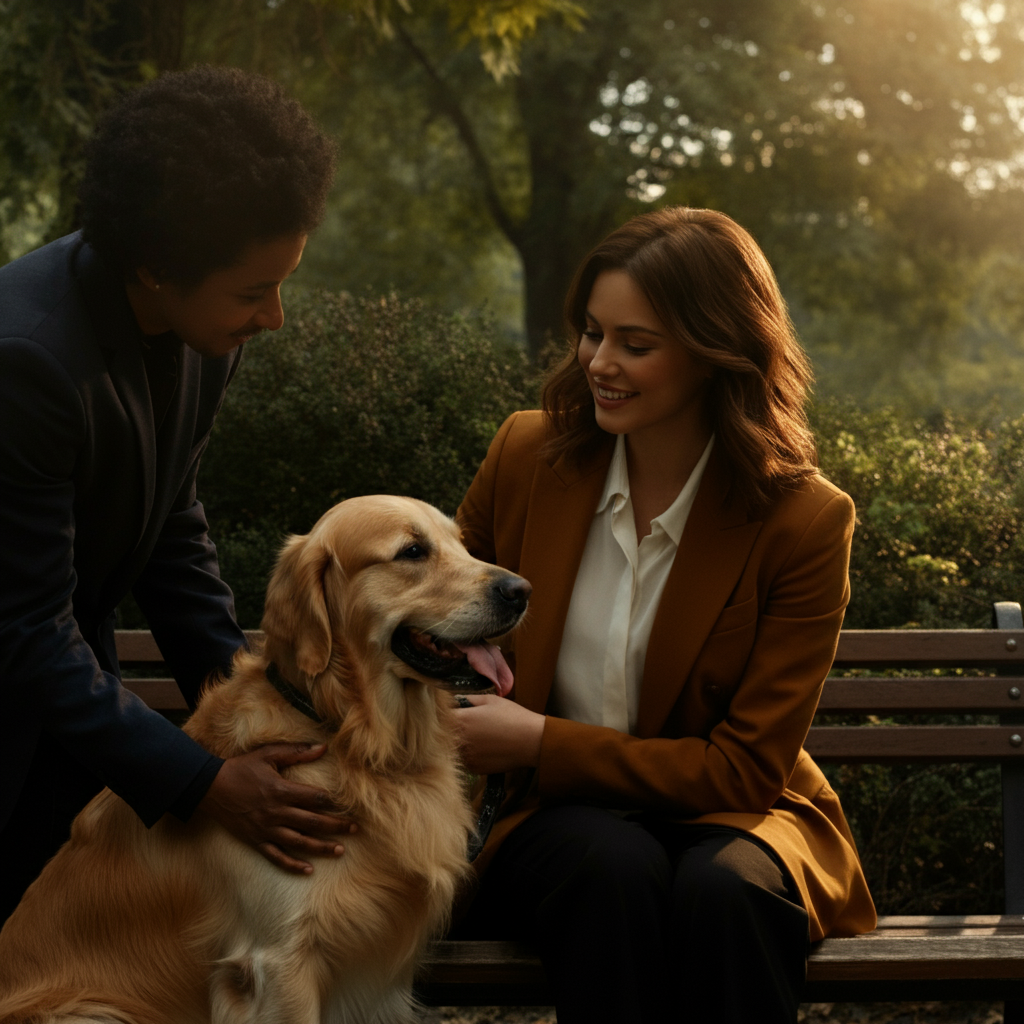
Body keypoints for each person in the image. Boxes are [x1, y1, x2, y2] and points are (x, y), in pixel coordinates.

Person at [453, 206, 877, 1023]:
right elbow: (429, 628)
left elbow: (745, 772)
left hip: (737, 816)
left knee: (725, 896)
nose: (599, 364)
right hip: (554, 826)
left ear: (718, 353)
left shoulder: (804, 520)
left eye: (635, 345)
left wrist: (540, 739)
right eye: (591, 333)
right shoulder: (525, 456)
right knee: (609, 865)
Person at [0, 65, 350, 923]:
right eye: (252, 292)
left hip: (70, 715)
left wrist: (252, 712)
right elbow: (23, 627)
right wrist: (203, 782)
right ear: (156, 270)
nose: (273, 317)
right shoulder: (26, 360)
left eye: (283, 282)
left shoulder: (204, 331)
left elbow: (170, 527)